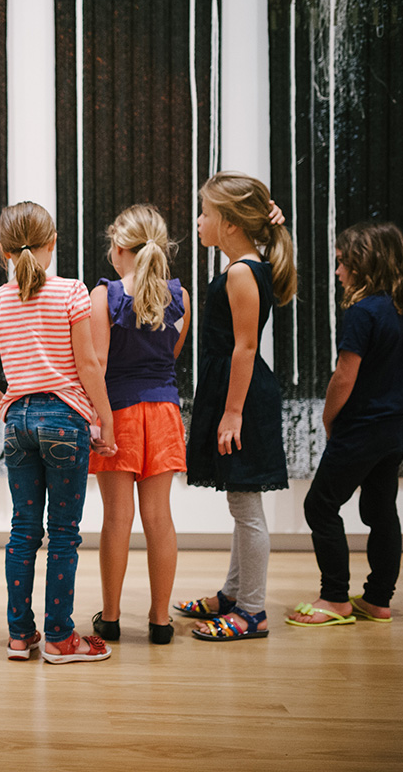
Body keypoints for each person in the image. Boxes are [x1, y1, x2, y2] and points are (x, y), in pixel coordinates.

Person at [0, 201, 116, 664]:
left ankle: (19, 636)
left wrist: (6, 403)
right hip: (65, 421)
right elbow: (88, 364)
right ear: (52, 243)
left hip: (19, 424)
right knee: (63, 534)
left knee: (23, 530)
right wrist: (104, 418)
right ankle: (59, 638)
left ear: (4, 251)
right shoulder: (72, 293)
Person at [177, 171, 297, 642]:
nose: (199, 220)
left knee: (246, 507)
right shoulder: (242, 266)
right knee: (239, 500)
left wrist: (232, 412)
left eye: (205, 212)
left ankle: (252, 611)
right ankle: (233, 594)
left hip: (243, 398)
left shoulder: (243, 272)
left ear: (229, 223)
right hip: (234, 394)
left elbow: (245, 347)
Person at [286, 221, 403, 627]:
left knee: (320, 506)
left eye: (342, 263)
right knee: (380, 508)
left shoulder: (362, 312)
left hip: (362, 428)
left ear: (362, 265)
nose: (338, 272)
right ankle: (378, 600)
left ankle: (335, 597)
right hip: (394, 429)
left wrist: (328, 416)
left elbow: (344, 376)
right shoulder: (396, 310)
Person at [87, 205, 190, 645]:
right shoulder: (180, 297)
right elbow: (172, 357)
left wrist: (100, 420)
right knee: (159, 517)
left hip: (119, 413)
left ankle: (110, 618)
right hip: (164, 413)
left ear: (118, 247)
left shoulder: (105, 296)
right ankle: (160, 621)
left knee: (117, 517)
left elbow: (98, 365)